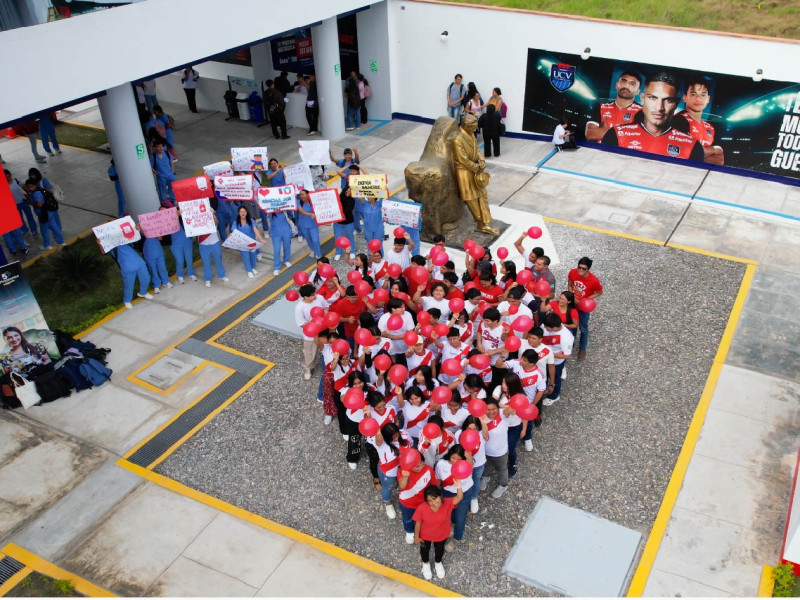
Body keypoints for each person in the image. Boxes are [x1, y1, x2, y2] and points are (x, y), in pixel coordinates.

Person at [601, 71, 704, 162]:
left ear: (676, 104)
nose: (659, 107)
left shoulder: (692, 146)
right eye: (653, 98)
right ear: (643, 99)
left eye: (668, 100)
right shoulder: (616, 135)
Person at [452, 114, 498, 235]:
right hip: (464, 172)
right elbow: (462, 159)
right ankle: (480, 223)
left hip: (475, 169)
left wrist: (481, 160)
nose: (475, 129)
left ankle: (486, 221)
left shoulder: (471, 133)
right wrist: (476, 167)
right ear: (466, 126)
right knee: (470, 198)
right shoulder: (457, 140)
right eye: (473, 127)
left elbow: (477, 150)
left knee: (482, 193)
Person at [413, 483, 463, 580]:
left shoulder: (447, 503)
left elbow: (459, 497)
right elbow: (418, 523)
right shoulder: (422, 508)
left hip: (442, 535)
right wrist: (416, 536)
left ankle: (438, 562)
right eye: (430, 500)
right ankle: (426, 564)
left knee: (439, 550)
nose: (433, 502)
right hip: (425, 535)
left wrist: (458, 486)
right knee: (424, 550)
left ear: (440, 496)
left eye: (435, 498)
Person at [675, 78, 724, 165]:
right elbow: (684, 153)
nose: (698, 98)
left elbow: (719, 160)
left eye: (703, 95)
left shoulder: (710, 128)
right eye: (693, 94)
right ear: (685, 97)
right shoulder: (678, 120)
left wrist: (698, 153)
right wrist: (717, 149)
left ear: (708, 99)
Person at [585, 71, 642, 142]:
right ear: (617, 85)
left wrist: (605, 131)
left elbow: (640, 140)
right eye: (623, 81)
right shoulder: (601, 107)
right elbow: (590, 134)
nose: (626, 85)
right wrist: (625, 131)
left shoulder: (642, 112)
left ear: (637, 91)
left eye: (632, 84)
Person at [369, 422, 409, 520]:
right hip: (389, 472)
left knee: (403, 484)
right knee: (387, 488)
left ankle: (402, 498)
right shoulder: (381, 443)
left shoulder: (405, 434)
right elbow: (378, 440)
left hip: (403, 470)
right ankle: (388, 503)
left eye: (397, 434)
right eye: (392, 436)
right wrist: (378, 433)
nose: (396, 438)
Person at [567, 256, 603, 360]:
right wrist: (572, 296)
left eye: (584, 269)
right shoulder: (572, 272)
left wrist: (585, 300)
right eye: (579, 267)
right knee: (572, 324)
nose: (581, 270)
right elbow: (570, 284)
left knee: (583, 327)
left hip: (584, 307)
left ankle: (582, 348)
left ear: (588, 269)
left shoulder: (593, 280)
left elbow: (600, 292)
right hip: (573, 304)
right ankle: (571, 342)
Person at [398, 458, 437, 545]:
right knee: (408, 519)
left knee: (422, 518)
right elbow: (402, 485)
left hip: (423, 502)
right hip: (407, 503)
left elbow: (434, 484)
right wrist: (405, 476)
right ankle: (409, 531)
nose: (421, 468)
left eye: (422, 464)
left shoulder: (428, 470)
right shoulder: (403, 470)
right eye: (418, 466)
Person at [295, 284, 328, 381]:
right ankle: (308, 368)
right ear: (305, 296)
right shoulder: (299, 308)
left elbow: (326, 307)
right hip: (311, 334)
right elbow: (301, 323)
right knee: (310, 353)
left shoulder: (319, 298)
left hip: (324, 329)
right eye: (312, 295)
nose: (315, 296)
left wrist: (325, 314)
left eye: (315, 293)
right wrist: (313, 326)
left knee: (327, 348)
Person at [541, 312, 573, 406]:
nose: (545, 328)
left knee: (555, 379)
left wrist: (549, 354)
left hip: (556, 362)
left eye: (547, 328)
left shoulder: (566, 337)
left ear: (554, 328)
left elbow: (567, 355)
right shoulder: (546, 325)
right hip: (545, 358)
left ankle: (554, 396)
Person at [108, 243, 153, 309]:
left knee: (146, 278)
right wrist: (99, 243)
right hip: (127, 267)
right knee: (129, 285)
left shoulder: (126, 239)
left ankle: (143, 292)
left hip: (138, 262)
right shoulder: (112, 246)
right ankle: (127, 300)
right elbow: (104, 251)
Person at [25, 178, 64, 250]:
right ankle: (61, 242)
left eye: (31, 186)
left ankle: (47, 245)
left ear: (35, 185)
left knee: (44, 230)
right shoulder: (41, 190)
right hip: (49, 212)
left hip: (43, 214)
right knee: (55, 227)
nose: (30, 188)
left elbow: (39, 204)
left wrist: (30, 203)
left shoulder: (36, 194)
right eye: (28, 187)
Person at [231, 206, 267, 278]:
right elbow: (233, 232)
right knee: (245, 257)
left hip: (251, 242)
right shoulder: (236, 222)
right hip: (243, 244)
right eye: (241, 212)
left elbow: (256, 230)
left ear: (247, 213)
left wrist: (261, 239)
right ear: (238, 213)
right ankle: (249, 270)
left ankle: (253, 267)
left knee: (252, 255)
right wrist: (229, 238)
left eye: (244, 211)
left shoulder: (251, 221)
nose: (243, 213)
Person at [6, 169, 37, 238]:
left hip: (24, 201)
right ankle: (25, 230)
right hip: (15, 204)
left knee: (30, 216)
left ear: (10, 175)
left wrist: (28, 195)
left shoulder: (16, 180)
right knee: (20, 219)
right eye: (6, 177)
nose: (8, 178)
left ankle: (34, 230)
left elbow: (24, 187)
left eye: (8, 176)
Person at [142, 228, 172, 294]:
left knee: (162, 267)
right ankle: (156, 285)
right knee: (153, 270)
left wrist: (157, 234)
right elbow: (140, 235)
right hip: (149, 253)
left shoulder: (155, 226)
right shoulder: (142, 227)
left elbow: (160, 238)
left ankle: (165, 281)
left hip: (158, 251)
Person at [198, 223, 228, 288]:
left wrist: (212, 213)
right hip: (203, 244)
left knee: (218, 260)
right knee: (206, 262)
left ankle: (222, 275)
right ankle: (207, 278)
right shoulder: (196, 217)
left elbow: (216, 221)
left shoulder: (212, 215)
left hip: (214, 242)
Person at [296, 189, 322, 259]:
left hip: (313, 225)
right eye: (300, 195)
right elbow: (301, 211)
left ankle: (319, 254)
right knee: (308, 239)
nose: (301, 196)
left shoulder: (313, 202)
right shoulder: (298, 202)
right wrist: (310, 214)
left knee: (315, 239)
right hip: (303, 225)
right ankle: (313, 250)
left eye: (303, 194)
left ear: (308, 195)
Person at [333, 185, 357, 261]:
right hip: (338, 223)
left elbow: (348, 211)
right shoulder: (337, 199)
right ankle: (338, 252)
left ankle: (352, 250)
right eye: (347, 190)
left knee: (350, 236)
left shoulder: (352, 200)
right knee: (338, 238)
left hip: (348, 222)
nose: (348, 192)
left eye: (350, 191)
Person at [150, 141, 176, 206]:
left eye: (161, 146)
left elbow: (171, 162)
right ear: (155, 147)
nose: (160, 148)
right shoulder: (153, 156)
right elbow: (151, 167)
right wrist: (157, 174)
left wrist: (172, 171)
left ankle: (174, 202)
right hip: (161, 177)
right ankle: (164, 204)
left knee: (172, 190)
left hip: (170, 175)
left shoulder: (167, 153)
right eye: (158, 146)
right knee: (162, 191)